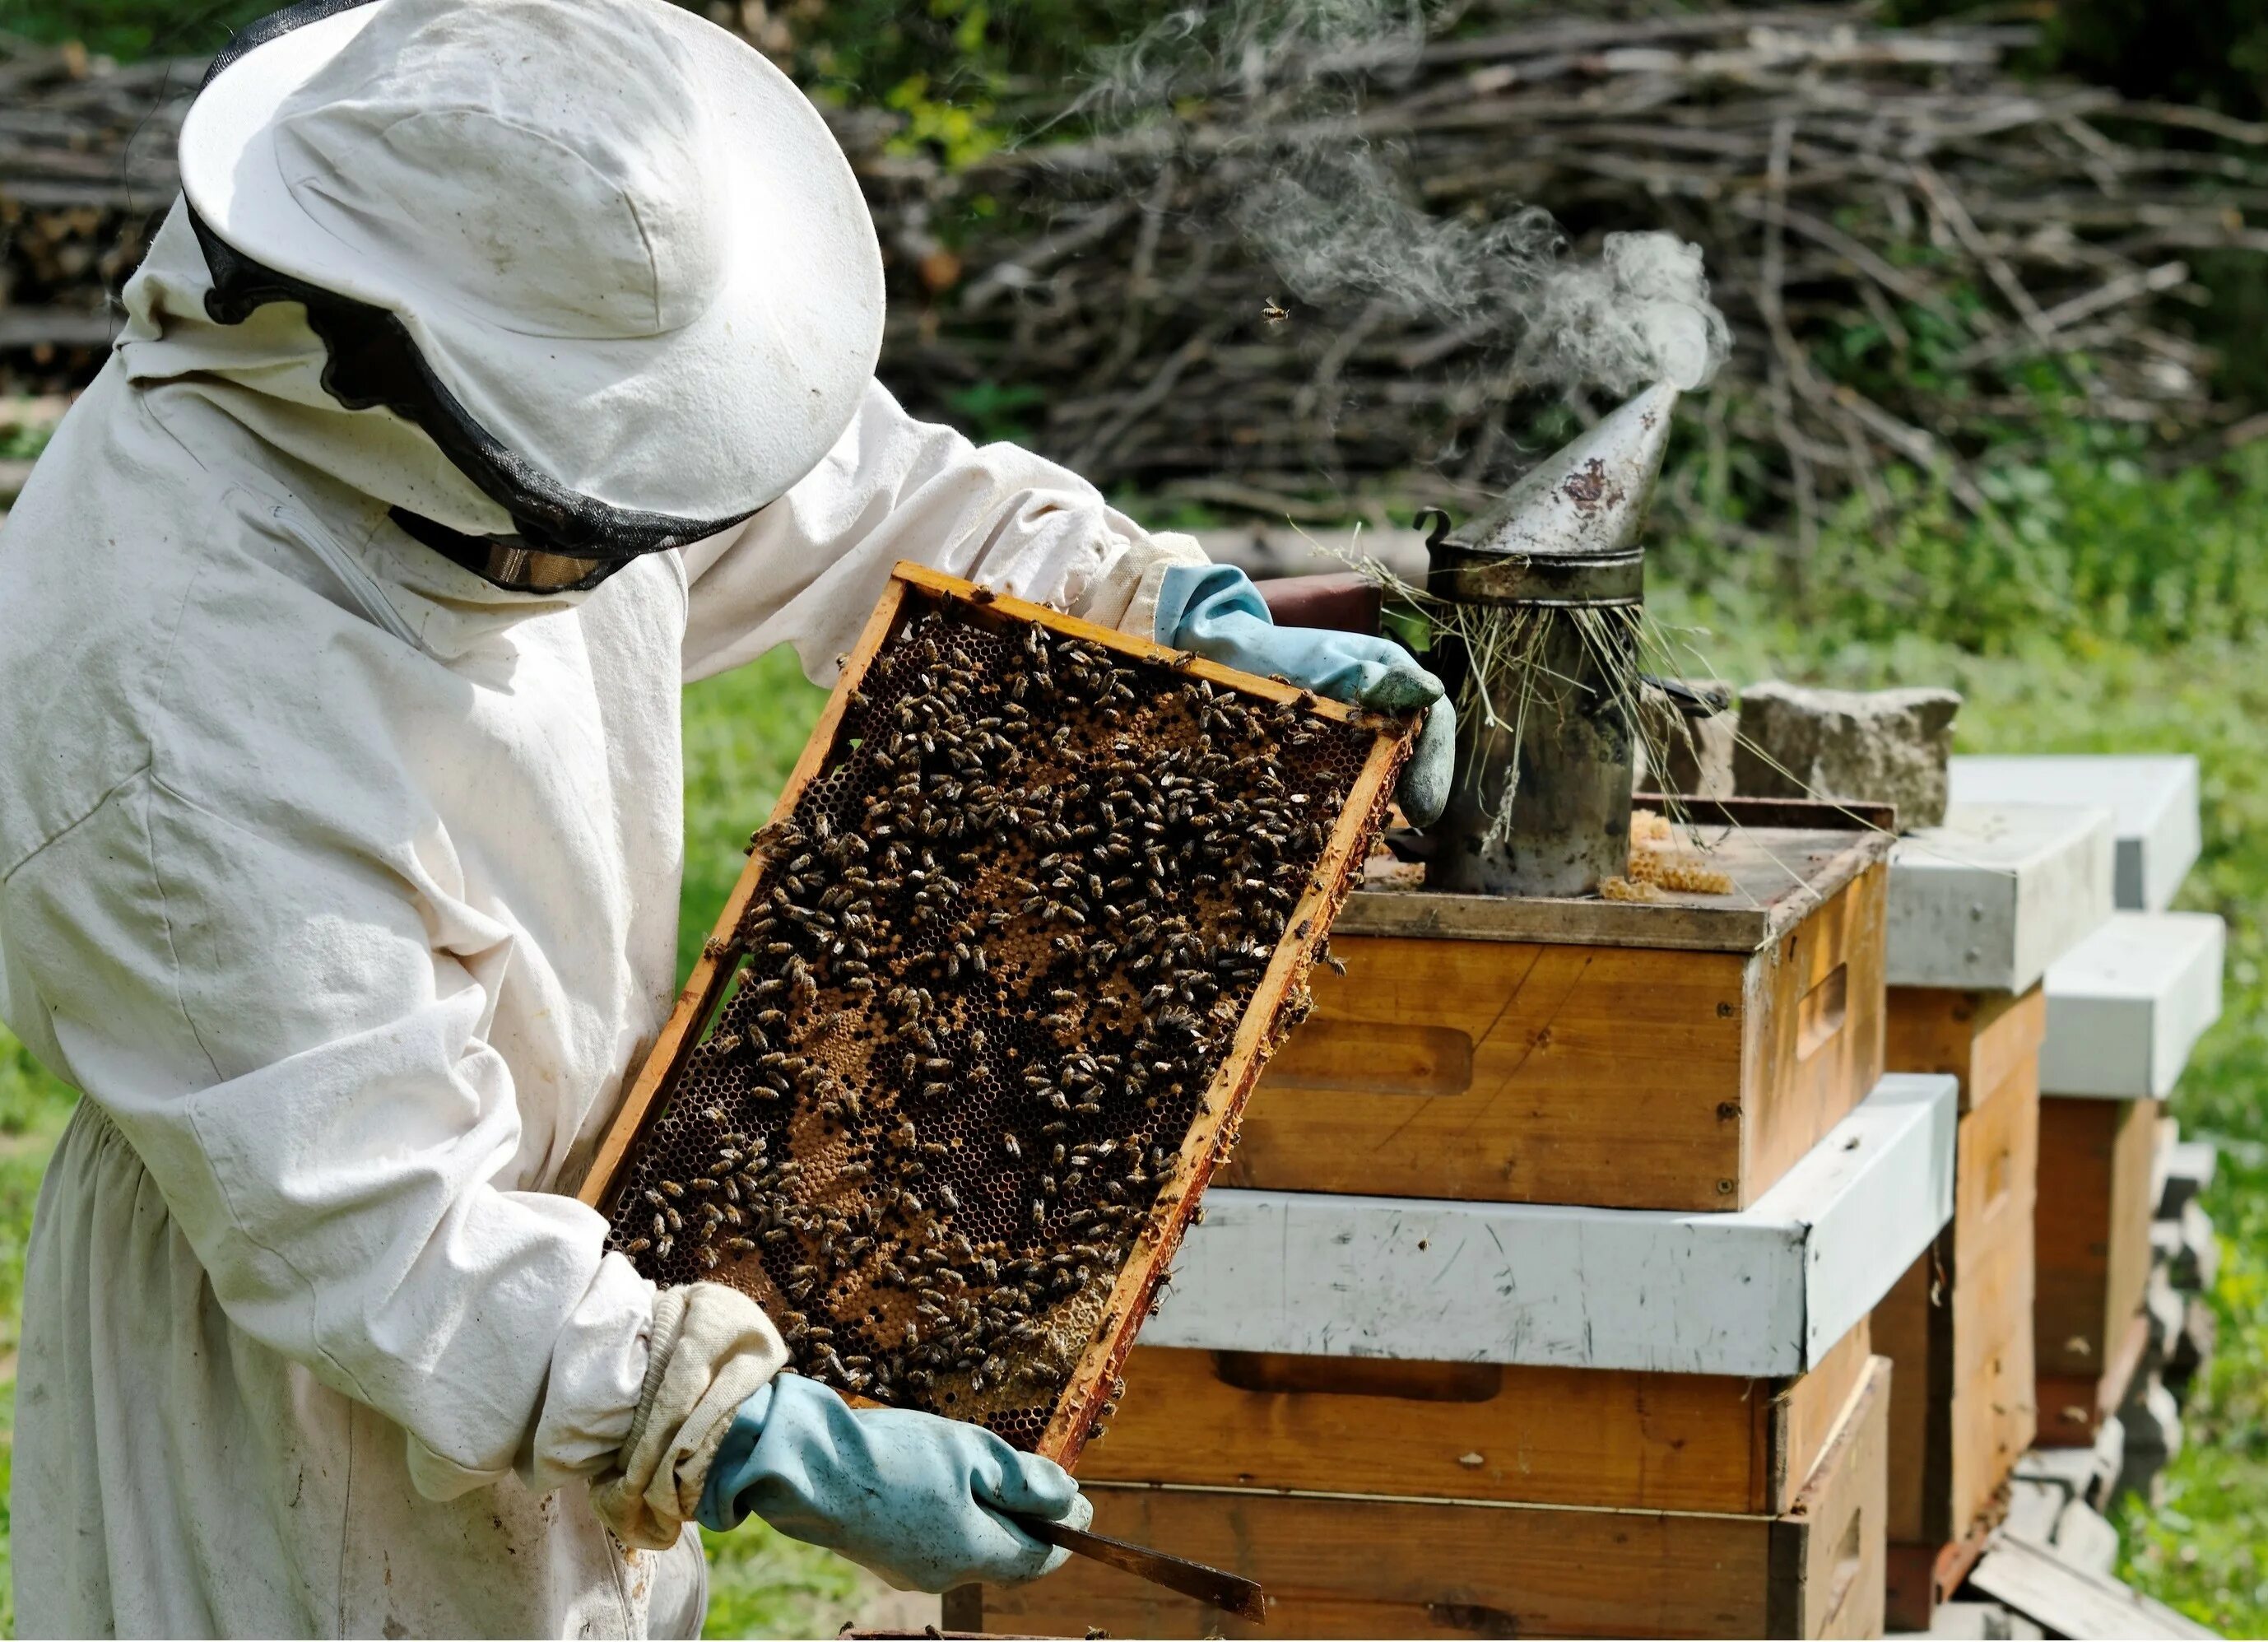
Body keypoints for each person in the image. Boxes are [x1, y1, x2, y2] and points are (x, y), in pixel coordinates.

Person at [0, 0, 1452, 1635]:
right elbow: (380, 1229)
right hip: (297, 1367)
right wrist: (730, 1417)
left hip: (560, 1255)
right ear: (400, 387)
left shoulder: (492, 365)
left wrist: (1160, 610)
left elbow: (840, 497)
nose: (617, 540)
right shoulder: (157, 685)